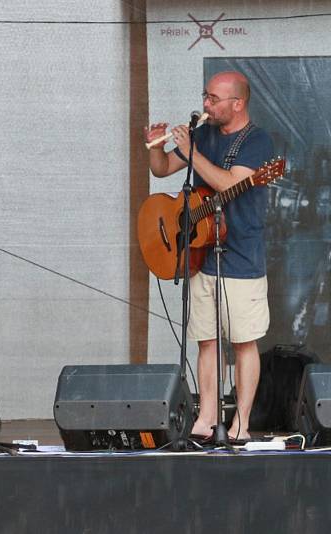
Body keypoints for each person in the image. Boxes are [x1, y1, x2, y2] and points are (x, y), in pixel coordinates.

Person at [145, 71, 275, 441]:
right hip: (202, 253)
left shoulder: (257, 141)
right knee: (206, 339)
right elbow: (163, 170)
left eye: (214, 99)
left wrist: (193, 154)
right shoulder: (203, 133)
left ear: (238, 103)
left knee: (243, 341)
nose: (205, 104)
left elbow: (230, 184)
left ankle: (241, 425)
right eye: (205, 96)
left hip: (242, 255)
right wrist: (156, 146)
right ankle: (206, 418)